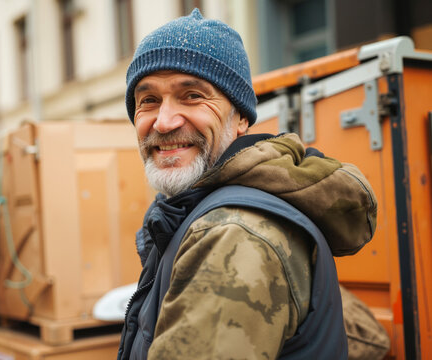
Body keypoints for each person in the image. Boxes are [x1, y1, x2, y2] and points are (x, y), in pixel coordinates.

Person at [117, 9, 378, 360]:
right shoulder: (198, 213)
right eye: (148, 100)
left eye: (192, 95)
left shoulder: (232, 233)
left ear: (240, 117)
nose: (163, 122)